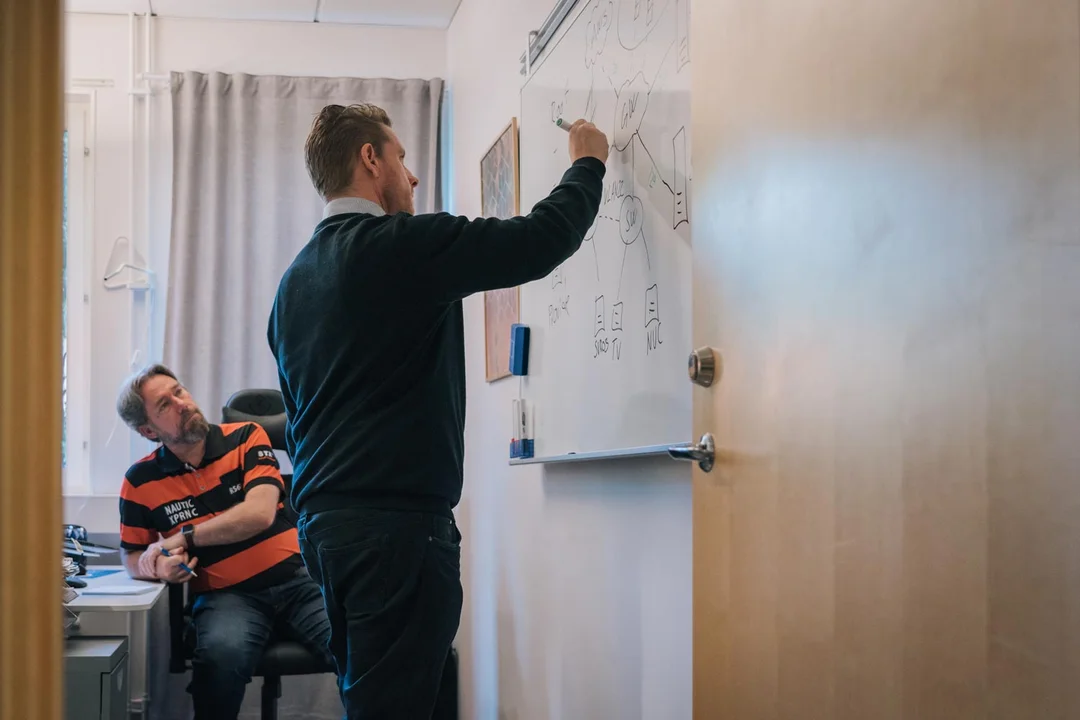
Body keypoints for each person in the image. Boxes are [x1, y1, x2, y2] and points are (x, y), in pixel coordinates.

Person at [266, 103, 609, 718]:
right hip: (393, 534)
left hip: (324, 531)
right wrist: (587, 164)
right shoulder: (402, 246)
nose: (412, 175)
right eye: (400, 157)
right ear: (370, 159)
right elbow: (540, 240)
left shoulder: (292, 284)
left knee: (371, 701)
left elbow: (296, 419)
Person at [115, 363, 335, 720]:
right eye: (165, 405)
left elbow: (259, 514)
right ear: (149, 430)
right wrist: (161, 567)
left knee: (364, 649)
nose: (182, 403)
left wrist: (182, 537)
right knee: (220, 660)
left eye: (179, 391)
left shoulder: (246, 437)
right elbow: (132, 556)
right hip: (228, 598)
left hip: (300, 583)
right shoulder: (140, 481)